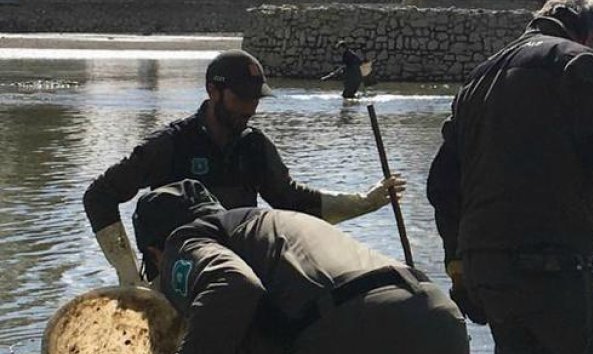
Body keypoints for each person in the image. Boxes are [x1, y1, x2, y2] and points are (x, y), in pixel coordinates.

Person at [427, 0, 593, 354]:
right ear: (589, 35)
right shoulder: (578, 64)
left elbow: (442, 186)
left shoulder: (478, 80)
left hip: (489, 274)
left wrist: (458, 267)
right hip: (550, 269)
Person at [84, 49, 399, 287]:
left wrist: (365, 201)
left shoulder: (255, 147)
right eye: (242, 98)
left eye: (255, 98)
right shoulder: (170, 145)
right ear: (213, 92)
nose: (250, 108)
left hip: (238, 281)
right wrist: (129, 279)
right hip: (175, 284)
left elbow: (293, 201)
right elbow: (99, 197)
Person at [132, 179, 468, 354]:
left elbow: (231, 287)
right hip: (437, 320)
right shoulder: (269, 225)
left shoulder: (184, 240)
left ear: (155, 253)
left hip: (357, 331)